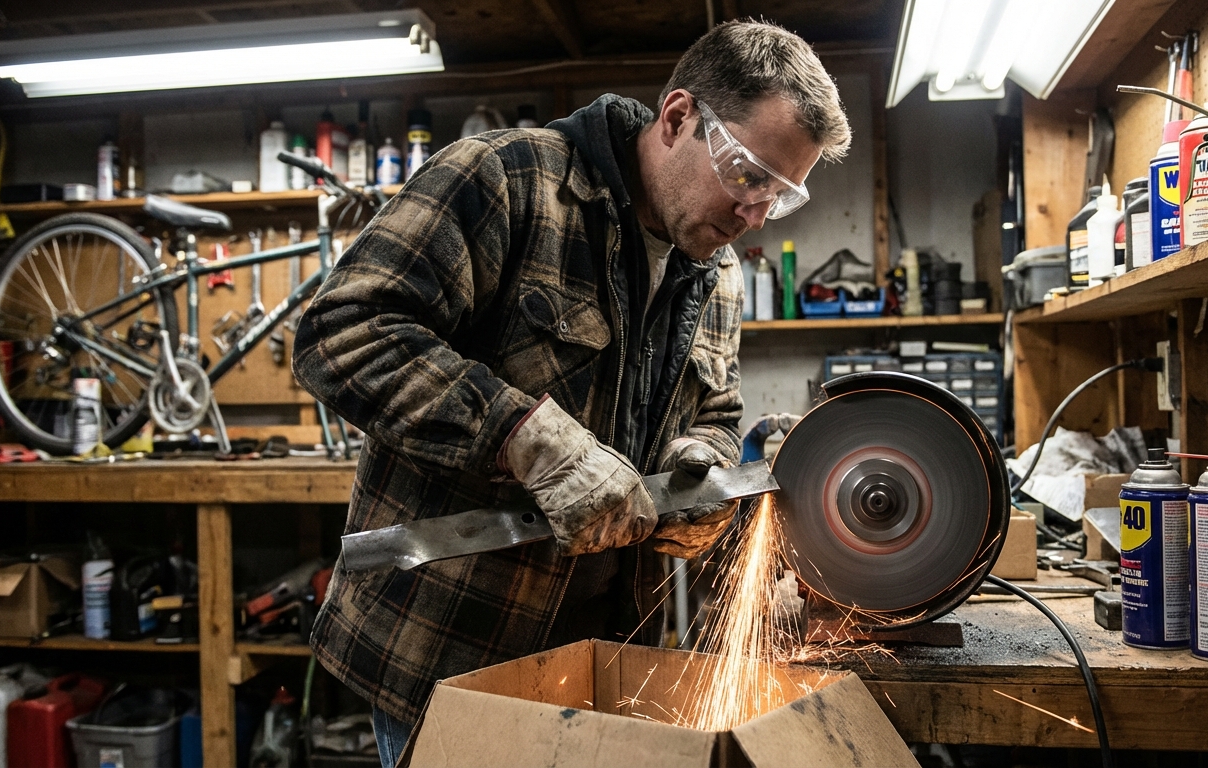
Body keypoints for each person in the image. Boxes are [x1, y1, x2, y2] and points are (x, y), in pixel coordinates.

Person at [292, 18, 850, 766]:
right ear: (680, 117)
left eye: (780, 199)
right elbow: (342, 330)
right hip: (456, 654)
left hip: (605, 653)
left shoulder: (717, 272)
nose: (754, 214)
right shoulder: (507, 180)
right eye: (749, 175)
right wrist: (524, 437)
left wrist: (701, 467)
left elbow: (714, 412)